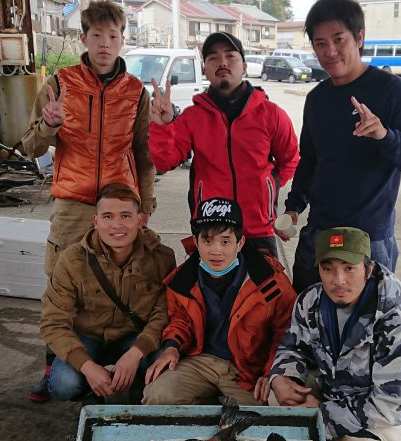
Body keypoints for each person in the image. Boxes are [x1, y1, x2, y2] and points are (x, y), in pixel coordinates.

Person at [22, 0, 157, 401]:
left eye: (112, 36)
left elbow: (143, 154)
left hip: (119, 203)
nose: (104, 43)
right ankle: (54, 367)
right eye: (96, 35)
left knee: (121, 280)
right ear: (82, 38)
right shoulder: (60, 84)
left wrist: (144, 204)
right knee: (59, 285)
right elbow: (29, 146)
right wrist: (49, 124)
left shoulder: (136, 92)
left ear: (122, 40)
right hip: (73, 205)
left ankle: (116, 354)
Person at [259, 227, 401, 441]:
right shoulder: (310, 301)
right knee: (276, 396)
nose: (338, 280)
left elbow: (390, 406)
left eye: (349, 268)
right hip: (342, 390)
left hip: (400, 408)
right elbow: (292, 347)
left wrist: (322, 413)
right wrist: (282, 377)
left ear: (368, 269)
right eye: (328, 268)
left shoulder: (399, 326)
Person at [283, 0, 401, 293]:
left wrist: (384, 136)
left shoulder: (393, 91)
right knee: (306, 318)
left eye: (339, 40)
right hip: (319, 231)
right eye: (320, 43)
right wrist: (293, 207)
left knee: (368, 327)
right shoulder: (316, 99)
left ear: (359, 37)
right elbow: (311, 161)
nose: (330, 51)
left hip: (370, 238)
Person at [148, 32, 300, 259]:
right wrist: (162, 126)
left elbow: (290, 159)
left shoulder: (272, 114)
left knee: (266, 294)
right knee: (210, 295)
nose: (222, 63)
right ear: (205, 69)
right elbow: (164, 161)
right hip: (211, 231)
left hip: (258, 230)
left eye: (230, 56)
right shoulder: (192, 117)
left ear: (245, 66)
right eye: (213, 58)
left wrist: (269, 189)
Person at [142, 197, 297, 406]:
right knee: (157, 395)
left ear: (240, 243)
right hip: (200, 361)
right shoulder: (181, 280)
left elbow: (285, 332)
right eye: (207, 241)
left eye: (225, 241)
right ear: (196, 242)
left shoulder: (271, 280)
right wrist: (172, 346)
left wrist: (273, 372)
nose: (216, 251)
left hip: (248, 369)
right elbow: (180, 320)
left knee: (272, 410)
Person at [40, 183, 175, 403]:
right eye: (108, 216)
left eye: (125, 216)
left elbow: (164, 313)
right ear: (96, 221)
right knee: (63, 384)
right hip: (88, 338)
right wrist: (87, 367)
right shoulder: (71, 260)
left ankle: (134, 383)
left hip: (133, 337)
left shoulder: (161, 258)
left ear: (140, 220)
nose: (117, 225)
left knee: (165, 366)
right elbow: (52, 321)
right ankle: (97, 389)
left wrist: (136, 353)